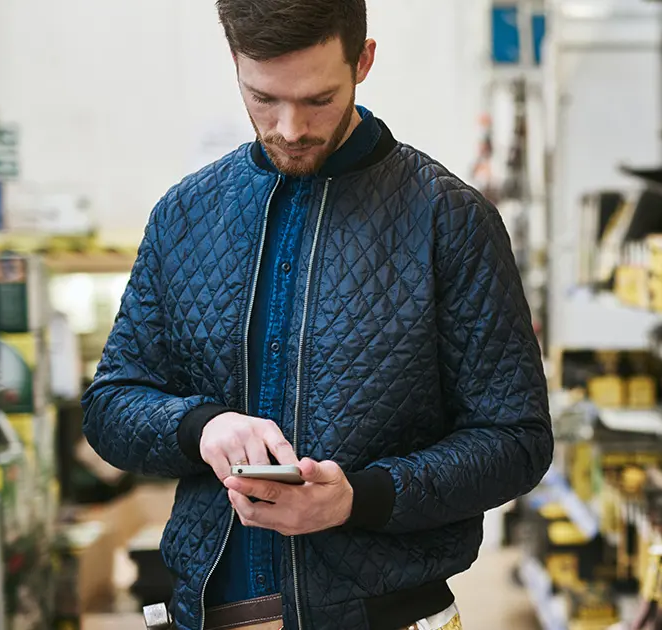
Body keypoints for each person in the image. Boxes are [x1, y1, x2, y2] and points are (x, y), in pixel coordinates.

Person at [81, 1, 553, 628]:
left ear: (364, 61)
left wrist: (358, 500)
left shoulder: (450, 221)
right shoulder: (183, 216)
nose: (290, 126)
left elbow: (516, 440)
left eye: (318, 99)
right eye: (263, 98)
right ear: (235, 65)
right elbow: (111, 405)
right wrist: (202, 428)